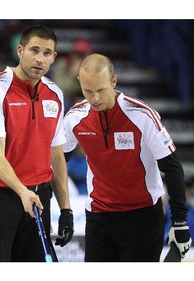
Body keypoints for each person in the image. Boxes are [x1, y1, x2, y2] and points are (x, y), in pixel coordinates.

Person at [63, 53, 192, 262]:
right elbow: (57, 161)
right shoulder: (74, 118)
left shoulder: (142, 115)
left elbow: (173, 167)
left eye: (101, 90)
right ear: (79, 82)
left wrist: (179, 222)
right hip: (98, 216)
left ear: (113, 82)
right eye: (88, 91)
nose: (94, 98)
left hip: (143, 217)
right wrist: (61, 208)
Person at [0, 24, 74, 262]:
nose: (39, 59)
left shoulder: (55, 94)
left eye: (47, 53)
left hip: (38, 198)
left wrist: (65, 209)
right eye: (34, 50)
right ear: (20, 50)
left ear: (54, 58)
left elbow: (55, 154)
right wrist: (22, 191)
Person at [52, 38, 93, 113]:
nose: (80, 57)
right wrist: (73, 74)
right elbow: (61, 89)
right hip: (69, 99)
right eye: (78, 54)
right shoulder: (63, 64)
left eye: (83, 55)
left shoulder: (96, 67)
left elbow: (95, 91)